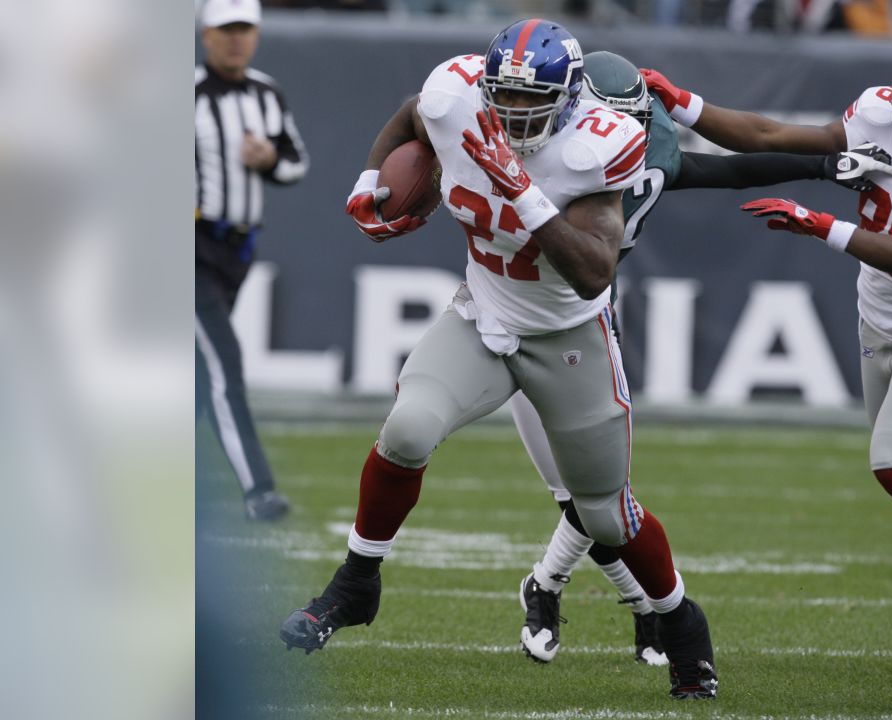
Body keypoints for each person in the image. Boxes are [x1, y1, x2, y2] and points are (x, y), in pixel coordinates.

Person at [278, 20, 718, 700]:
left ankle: (682, 623)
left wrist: (517, 185)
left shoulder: (601, 143)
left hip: (568, 337)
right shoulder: (456, 95)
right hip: (482, 316)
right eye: (504, 99)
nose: (514, 115)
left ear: (571, 99)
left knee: (605, 514)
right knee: (407, 430)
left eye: (532, 102)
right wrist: (372, 182)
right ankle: (355, 583)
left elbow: (593, 272)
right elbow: (410, 117)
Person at [641, 45, 892, 673]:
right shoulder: (879, 114)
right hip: (876, 328)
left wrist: (819, 224)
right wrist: (682, 102)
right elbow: (771, 134)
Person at [512, 50, 881, 667]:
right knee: (579, 495)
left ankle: (553, 589)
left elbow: (728, 171)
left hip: (580, 319)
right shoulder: (537, 144)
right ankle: (621, 605)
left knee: (601, 494)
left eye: (634, 124)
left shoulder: (650, 147)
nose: (621, 140)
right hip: (510, 311)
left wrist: (822, 166)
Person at [195, 0, 309, 521]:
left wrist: (269, 160)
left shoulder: (266, 92)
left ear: (257, 33)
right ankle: (258, 489)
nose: (236, 39)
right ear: (206, 35)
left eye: (244, 28)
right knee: (224, 365)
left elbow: (296, 162)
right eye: (226, 29)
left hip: (235, 250)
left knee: (198, 380)